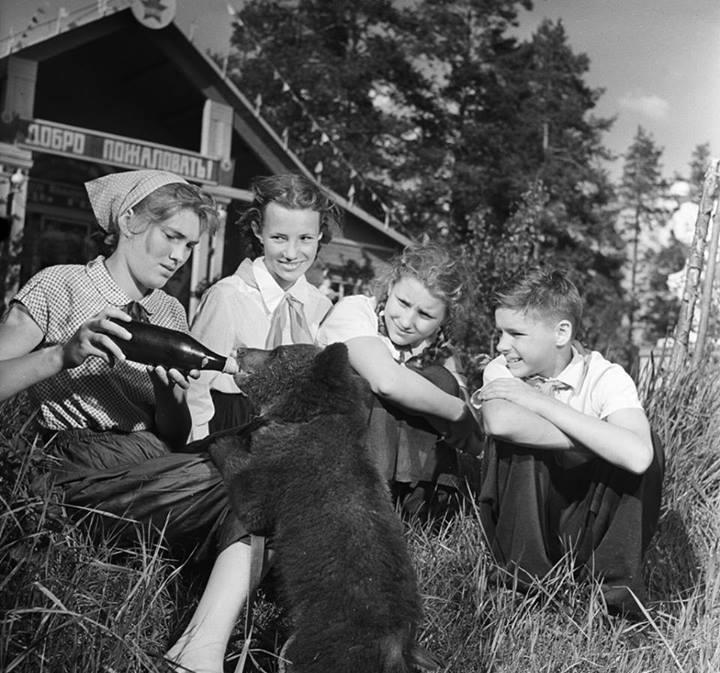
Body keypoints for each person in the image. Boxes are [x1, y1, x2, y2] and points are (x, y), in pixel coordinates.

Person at [0, 170, 244, 673]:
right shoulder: (60, 285)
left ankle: (197, 654)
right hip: (78, 463)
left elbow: (175, 435)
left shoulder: (171, 314)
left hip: (153, 459)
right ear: (129, 221)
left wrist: (170, 399)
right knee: (248, 481)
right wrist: (61, 354)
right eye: (172, 236)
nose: (180, 255)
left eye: (190, 244)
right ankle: (195, 666)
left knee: (267, 471)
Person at [473, 269, 664, 615]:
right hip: (525, 517)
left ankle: (612, 600)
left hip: (585, 524)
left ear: (562, 332)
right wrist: (603, 440)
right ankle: (522, 587)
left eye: (515, 333)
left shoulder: (606, 376)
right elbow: (499, 422)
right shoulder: (501, 369)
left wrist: (541, 403)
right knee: (520, 438)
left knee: (651, 441)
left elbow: (638, 456)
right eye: (500, 332)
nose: (502, 345)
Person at [316, 243, 483, 519]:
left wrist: (461, 403)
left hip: (391, 466)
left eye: (426, 315)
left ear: (444, 320)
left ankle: (423, 501)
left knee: (438, 382)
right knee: (382, 390)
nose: (406, 321)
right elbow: (387, 382)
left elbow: (459, 405)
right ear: (390, 287)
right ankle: (367, 503)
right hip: (337, 453)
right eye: (403, 303)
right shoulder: (355, 312)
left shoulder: (434, 349)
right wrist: (458, 412)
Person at [187, 173, 338, 440]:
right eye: (279, 237)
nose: (291, 253)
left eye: (305, 238)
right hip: (230, 433)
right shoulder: (227, 297)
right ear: (258, 231)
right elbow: (194, 388)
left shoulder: (323, 307)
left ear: (320, 235)